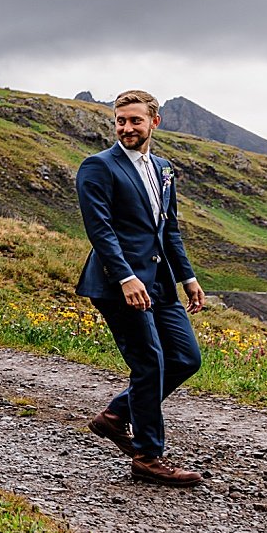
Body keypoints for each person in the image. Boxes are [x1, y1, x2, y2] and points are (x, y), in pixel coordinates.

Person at [75, 89, 207, 487]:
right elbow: (100, 230)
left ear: (154, 122)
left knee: (185, 359)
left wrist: (188, 277)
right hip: (118, 285)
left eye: (135, 120)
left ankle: (116, 415)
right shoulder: (98, 167)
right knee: (150, 364)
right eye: (120, 120)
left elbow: (169, 229)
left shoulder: (164, 168)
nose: (127, 128)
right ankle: (149, 457)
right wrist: (126, 277)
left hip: (160, 281)